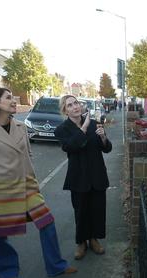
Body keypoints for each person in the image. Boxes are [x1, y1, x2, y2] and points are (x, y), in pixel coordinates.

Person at [0, 87, 76, 278]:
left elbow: (28, 156)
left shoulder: (20, 126)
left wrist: (34, 182)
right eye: (8, 98)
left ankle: (56, 265)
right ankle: (7, 271)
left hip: (26, 186)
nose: (14, 100)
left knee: (47, 222)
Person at [55, 95, 112, 260]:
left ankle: (94, 239)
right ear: (65, 110)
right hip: (78, 177)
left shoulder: (95, 124)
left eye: (76, 103)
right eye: (70, 105)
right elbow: (70, 147)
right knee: (80, 212)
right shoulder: (62, 129)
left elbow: (107, 148)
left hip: (97, 174)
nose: (75, 107)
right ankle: (81, 242)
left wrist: (103, 137)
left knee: (97, 209)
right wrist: (84, 127)